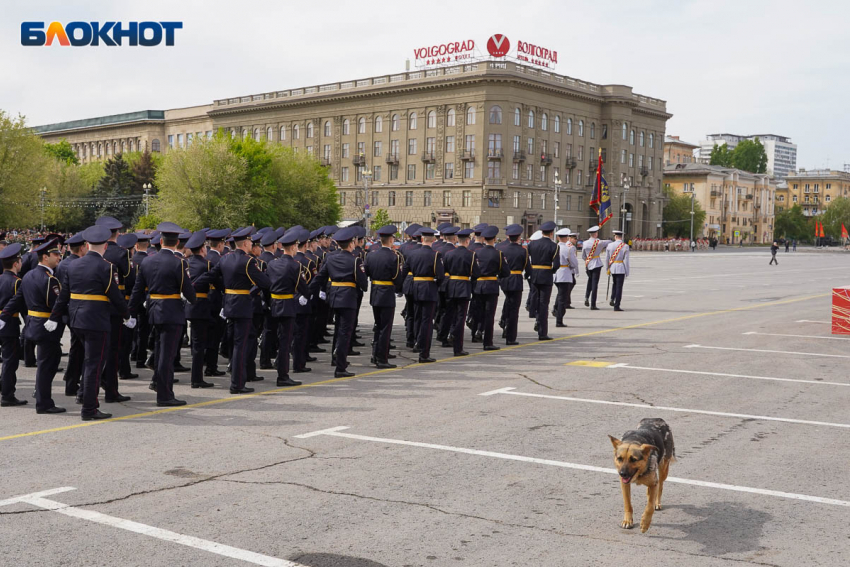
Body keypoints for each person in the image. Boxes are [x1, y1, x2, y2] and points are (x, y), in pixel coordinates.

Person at [48, 225, 135, 421]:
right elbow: (115, 296)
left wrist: (54, 317)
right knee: (94, 365)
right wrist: (127, 315)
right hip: (96, 321)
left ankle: (82, 395)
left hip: (77, 319)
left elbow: (63, 296)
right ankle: (89, 409)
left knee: (84, 360)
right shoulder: (106, 267)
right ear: (105, 247)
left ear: (86, 245)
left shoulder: (73, 265)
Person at [128, 223, 196, 406]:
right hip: (171, 310)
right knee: (167, 355)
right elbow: (188, 291)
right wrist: (193, 299)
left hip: (153, 309)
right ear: (177, 243)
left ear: (160, 241)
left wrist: (130, 313)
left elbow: (137, 290)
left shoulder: (147, 261)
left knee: (160, 352)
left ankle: (158, 383)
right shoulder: (179, 262)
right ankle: (165, 395)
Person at [0, 238, 67, 413]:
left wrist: (4, 315)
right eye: (55, 254)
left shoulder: (28, 275)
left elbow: (17, 300)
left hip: (33, 325)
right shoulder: (50, 279)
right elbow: (57, 305)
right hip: (46, 327)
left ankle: (41, 395)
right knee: (46, 366)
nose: (58, 257)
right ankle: (43, 402)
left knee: (49, 362)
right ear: (45, 257)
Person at [206, 226, 270, 394]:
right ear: (246, 243)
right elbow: (265, 282)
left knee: (234, 343)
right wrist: (252, 291)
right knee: (240, 346)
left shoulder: (225, 258)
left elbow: (211, 275)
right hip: (242, 305)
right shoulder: (248, 261)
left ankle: (236, 380)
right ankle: (237, 384)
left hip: (229, 304)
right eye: (250, 241)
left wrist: (194, 284)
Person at [310, 227, 367, 377]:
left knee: (338, 331)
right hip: (348, 298)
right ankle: (340, 367)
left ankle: (336, 359)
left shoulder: (330, 258)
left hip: (334, 297)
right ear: (351, 244)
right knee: (344, 333)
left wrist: (308, 292)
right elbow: (364, 285)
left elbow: (319, 277)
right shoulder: (355, 260)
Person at [264, 230, 304, 386]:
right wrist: (307, 296)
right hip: (287, 306)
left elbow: (267, 285)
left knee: (277, 338)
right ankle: (283, 375)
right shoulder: (294, 265)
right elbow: (301, 286)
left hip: (274, 304)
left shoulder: (272, 263)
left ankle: (279, 367)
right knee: (285, 341)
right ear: (293, 247)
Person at [401, 227, 445, 363]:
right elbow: (441, 276)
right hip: (428, 288)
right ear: (432, 240)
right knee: (427, 321)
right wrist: (434, 285)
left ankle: (415, 341)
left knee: (417, 317)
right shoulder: (435, 255)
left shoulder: (412, 254)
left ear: (421, 239)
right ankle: (424, 352)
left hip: (415, 287)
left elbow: (404, 273)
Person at [364, 225, 403, 368]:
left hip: (375, 292)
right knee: (385, 328)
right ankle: (382, 358)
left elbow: (366, 273)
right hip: (386, 294)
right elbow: (397, 278)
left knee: (378, 326)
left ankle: (375, 355)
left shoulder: (371, 255)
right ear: (391, 240)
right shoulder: (393, 257)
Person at [55, 232, 87, 397]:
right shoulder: (79, 264)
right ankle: (74, 383)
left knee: (77, 348)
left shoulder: (63, 264)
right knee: (80, 350)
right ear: (82, 248)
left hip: (67, 309)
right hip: (77, 309)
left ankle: (71, 381)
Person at [184, 231, 216, 389]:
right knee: (199, 345)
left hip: (189, 305)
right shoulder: (207, 264)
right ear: (203, 248)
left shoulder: (186, 263)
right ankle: (197, 379)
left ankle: (197, 377)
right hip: (201, 305)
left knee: (195, 344)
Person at [443, 228, 479, 355]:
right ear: (468, 241)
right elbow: (476, 273)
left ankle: (445, 337)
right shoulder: (471, 255)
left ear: (457, 240)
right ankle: (458, 347)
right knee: (460, 318)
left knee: (449, 315)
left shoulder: (449, 254)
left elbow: (445, 271)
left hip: (451, 286)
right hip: (463, 287)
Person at [474, 226, 510, 350]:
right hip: (491, 286)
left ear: (483, 239)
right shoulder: (499, 254)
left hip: (478, 285)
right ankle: (488, 342)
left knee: (478, 312)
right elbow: (506, 272)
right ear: (494, 239)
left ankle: (476, 333)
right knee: (489, 314)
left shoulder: (476, 252)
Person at [0, 244, 26, 408]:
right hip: (9, 324)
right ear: (16, 263)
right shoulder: (17, 283)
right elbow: (22, 307)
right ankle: (8, 394)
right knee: (10, 361)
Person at [526, 221, 559, 340]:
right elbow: (556, 264)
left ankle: (535, 317)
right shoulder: (554, 246)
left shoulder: (532, 244)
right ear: (551, 233)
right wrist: (550, 271)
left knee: (535, 299)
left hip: (534, 275)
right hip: (546, 276)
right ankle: (542, 332)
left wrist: (530, 271)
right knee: (544, 304)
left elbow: (526, 259)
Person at [499, 225, 527, 346]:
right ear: (519, 237)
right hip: (516, 279)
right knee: (514, 310)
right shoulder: (523, 251)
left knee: (508, 302)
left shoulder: (502, 250)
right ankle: (510, 337)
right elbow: (527, 267)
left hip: (504, 280)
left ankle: (504, 322)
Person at [553, 228, 578, 327]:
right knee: (562, 298)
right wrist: (571, 267)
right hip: (565, 273)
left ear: (558, 238)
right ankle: (559, 319)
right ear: (567, 237)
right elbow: (574, 263)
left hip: (556, 273)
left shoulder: (554, 247)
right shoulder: (568, 248)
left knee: (560, 294)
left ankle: (555, 309)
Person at [582, 226, 612, 310]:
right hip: (596, 264)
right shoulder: (599, 242)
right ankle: (593, 304)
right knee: (595, 284)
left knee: (590, 281)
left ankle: (586, 297)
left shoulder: (585, 243)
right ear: (595, 234)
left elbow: (583, 256)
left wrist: (587, 260)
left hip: (588, 264)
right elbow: (609, 242)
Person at [606, 230, 630, 311]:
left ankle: (612, 298)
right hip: (621, 267)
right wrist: (627, 271)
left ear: (615, 237)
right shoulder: (625, 246)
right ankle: (617, 305)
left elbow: (607, 258)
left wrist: (607, 268)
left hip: (612, 267)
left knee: (614, 284)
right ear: (621, 237)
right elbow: (626, 260)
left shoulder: (609, 245)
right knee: (619, 287)